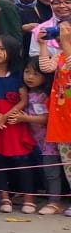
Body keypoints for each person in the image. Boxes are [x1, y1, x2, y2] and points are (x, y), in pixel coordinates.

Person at [0, 35, 34, 214]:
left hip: (13, 121)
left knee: (21, 161)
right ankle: (4, 198)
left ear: (10, 52)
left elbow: (23, 100)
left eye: (2, 49)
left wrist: (6, 116)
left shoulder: (18, 74)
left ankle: (28, 198)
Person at [37, 21, 71, 217]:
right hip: (62, 116)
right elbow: (46, 67)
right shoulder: (59, 54)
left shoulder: (66, 51)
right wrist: (43, 45)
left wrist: (66, 42)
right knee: (67, 162)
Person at [16, 59, 58, 215]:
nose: (30, 77)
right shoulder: (26, 93)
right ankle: (38, 195)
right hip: (31, 141)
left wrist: (26, 119)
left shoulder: (45, 95)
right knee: (35, 169)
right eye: (27, 72)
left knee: (51, 172)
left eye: (35, 73)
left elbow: (47, 119)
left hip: (48, 142)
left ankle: (55, 200)